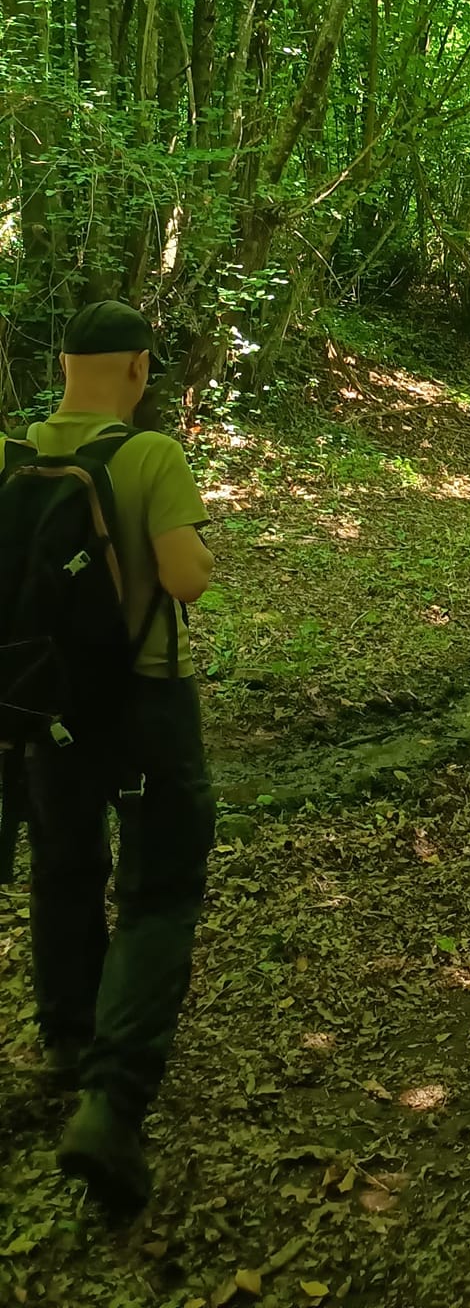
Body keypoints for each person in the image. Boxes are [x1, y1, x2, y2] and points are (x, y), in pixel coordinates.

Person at [10, 300, 215, 1209]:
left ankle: (64, 1038)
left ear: (62, 363)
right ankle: (111, 1100)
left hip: (44, 708)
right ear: (138, 369)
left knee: (61, 865)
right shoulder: (149, 454)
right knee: (159, 889)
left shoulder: (12, 456)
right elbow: (186, 579)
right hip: (144, 704)